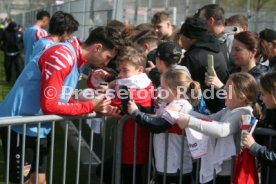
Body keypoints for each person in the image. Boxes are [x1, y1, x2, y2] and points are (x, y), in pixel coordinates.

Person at [0, 26, 123, 184]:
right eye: (107, 57)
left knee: (39, 179)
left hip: (38, 126)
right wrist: (91, 106)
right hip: (20, 128)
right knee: (21, 181)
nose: (106, 63)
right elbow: (50, 105)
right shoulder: (63, 56)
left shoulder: (75, 58)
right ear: (97, 48)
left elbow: (60, 97)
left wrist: (92, 105)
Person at [173, 72, 261, 184]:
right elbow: (209, 118)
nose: (223, 93)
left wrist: (189, 121)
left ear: (241, 96)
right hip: (220, 171)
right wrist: (183, 112)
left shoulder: (243, 112)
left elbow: (222, 130)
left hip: (229, 172)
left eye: (228, 91)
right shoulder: (229, 109)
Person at [128, 69, 201, 184]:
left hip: (176, 168)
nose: (159, 90)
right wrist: (137, 108)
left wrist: (136, 113)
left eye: (163, 87)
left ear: (176, 92)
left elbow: (158, 125)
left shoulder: (181, 105)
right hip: (165, 166)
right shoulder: (168, 104)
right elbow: (154, 117)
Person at [179, 17, 228, 113]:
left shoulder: (192, 57)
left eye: (181, 35)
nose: (180, 39)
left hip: (206, 110)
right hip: (222, 107)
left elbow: (181, 86)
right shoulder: (218, 49)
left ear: (190, 38)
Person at [242, 71, 276, 184]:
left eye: (263, 94)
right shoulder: (271, 111)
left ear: (273, 94)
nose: (261, 98)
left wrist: (254, 147)